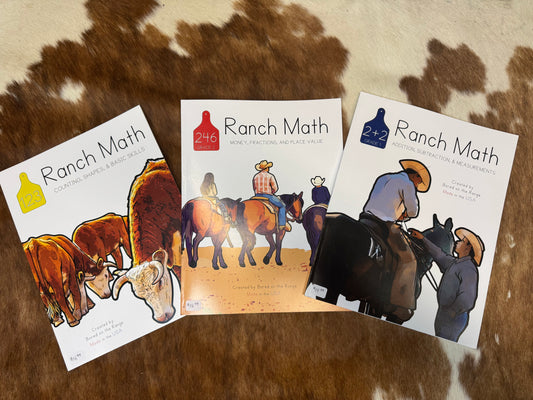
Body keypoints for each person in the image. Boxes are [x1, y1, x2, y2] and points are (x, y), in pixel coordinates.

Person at [360, 159, 431, 320]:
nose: (417, 185)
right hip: (384, 224)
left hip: (366, 218)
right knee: (409, 260)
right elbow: (413, 211)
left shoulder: (384, 177)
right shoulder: (408, 184)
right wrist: (404, 214)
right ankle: (399, 305)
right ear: (415, 176)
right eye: (419, 182)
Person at [410, 227, 484, 342]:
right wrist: (423, 238)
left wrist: (451, 312)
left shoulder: (468, 268)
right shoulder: (455, 263)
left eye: (462, 241)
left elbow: (467, 300)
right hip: (445, 314)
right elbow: (439, 255)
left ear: (468, 247)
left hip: (453, 318)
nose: (457, 242)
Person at [252, 160, 291, 232]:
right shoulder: (270, 176)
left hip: (257, 196)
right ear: (266, 168)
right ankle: (282, 224)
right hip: (267, 196)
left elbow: (254, 187)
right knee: (282, 206)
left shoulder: (256, 176)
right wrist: (272, 192)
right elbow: (275, 188)